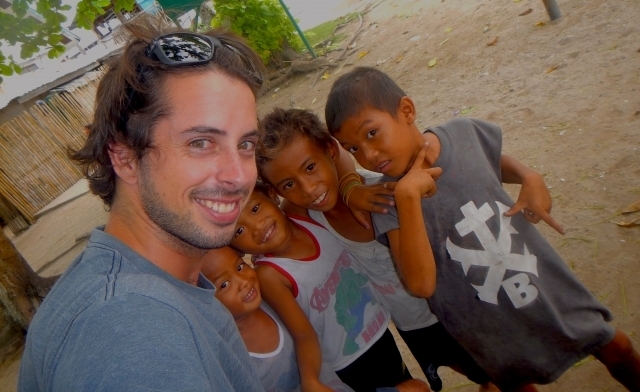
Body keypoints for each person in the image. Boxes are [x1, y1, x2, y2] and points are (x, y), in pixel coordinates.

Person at [324, 66, 640, 391]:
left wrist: (530, 177)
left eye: (371, 133)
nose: (368, 155)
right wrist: (407, 197)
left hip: (539, 282)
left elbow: (495, 161)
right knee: (519, 384)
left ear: (406, 111)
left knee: (616, 347)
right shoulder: (388, 201)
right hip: (484, 321)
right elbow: (420, 284)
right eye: (353, 148)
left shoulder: (463, 133)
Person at [19, 16, 266, 391]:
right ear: (124, 157)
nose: (239, 176)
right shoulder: (132, 330)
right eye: (201, 143)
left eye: (245, 144)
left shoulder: (132, 285)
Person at [256, 107, 497, 392]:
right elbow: (258, 215)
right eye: (288, 184)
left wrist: (349, 185)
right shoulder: (305, 215)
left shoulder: (387, 193)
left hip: (456, 308)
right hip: (411, 323)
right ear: (277, 192)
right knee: (474, 372)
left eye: (310, 167)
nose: (308, 189)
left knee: (498, 371)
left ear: (330, 151)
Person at [230, 183, 429, 392]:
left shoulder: (300, 213)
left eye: (255, 209)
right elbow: (302, 334)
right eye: (239, 230)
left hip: (379, 332)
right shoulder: (270, 274)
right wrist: (310, 380)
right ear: (235, 247)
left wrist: (351, 185)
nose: (257, 226)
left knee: (408, 382)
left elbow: (330, 165)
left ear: (272, 195)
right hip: (350, 363)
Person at [201, 246, 355, 392]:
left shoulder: (269, 301)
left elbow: (305, 335)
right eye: (224, 284)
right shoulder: (228, 355)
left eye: (240, 267)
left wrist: (310, 382)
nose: (243, 281)